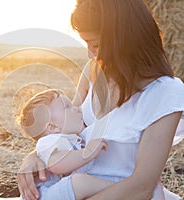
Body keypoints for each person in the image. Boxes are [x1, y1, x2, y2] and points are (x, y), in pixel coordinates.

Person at [17, 0, 184, 200]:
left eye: (95, 44)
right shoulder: (94, 71)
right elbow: (63, 127)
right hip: (73, 192)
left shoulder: (166, 93)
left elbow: (142, 187)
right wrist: (34, 157)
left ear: (123, 38)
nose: (89, 53)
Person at [17, 89, 113, 199]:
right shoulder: (49, 141)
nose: (78, 109)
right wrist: (87, 152)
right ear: (52, 127)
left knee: (81, 182)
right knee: (79, 182)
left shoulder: (70, 138)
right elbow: (56, 163)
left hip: (57, 191)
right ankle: (120, 188)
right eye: (68, 107)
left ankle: (120, 188)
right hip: (43, 194)